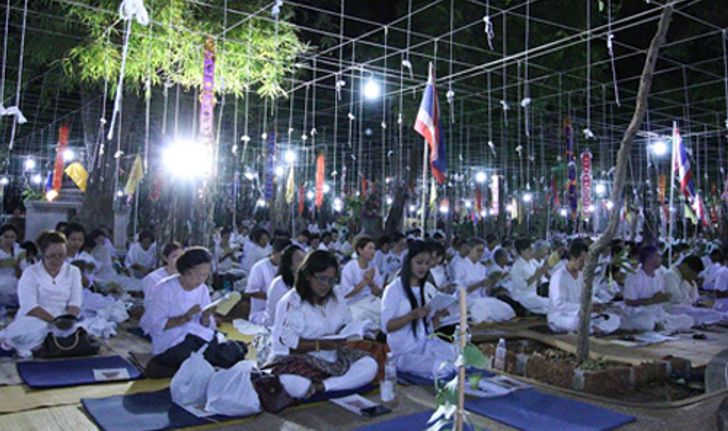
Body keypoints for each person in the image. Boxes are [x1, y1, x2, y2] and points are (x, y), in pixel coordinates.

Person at [268, 250, 377, 399]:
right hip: (301, 358)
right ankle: (332, 383)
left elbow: (345, 324)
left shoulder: (336, 295)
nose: (326, 285)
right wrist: (321, 344)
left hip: (334, 355)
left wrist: (353, 332)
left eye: (331, 280)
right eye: (321, 278)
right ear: (308, 276)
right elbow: (286, 345)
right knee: (297, 385)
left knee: (370, 365)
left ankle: (323, 386)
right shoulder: (292, 302)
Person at [143, 247, 247, 377]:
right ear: (186, 271)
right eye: (198, 275)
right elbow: (151, 325)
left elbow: (205, 325)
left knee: (230, 351)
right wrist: (184, 317)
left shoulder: (202, 289)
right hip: (171, 344)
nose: (201, 279)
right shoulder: (164, 288)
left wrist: (206, 317)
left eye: (205, 275)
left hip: (197, 338)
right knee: (220, 353)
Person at [0, 231, 83, 357]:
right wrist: (54, 322)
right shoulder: (30, 273)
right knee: (34, 331)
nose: (57, 260)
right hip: (36, 318)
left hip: (64, 319)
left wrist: (69, 319)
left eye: (61, 256)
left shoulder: (73, 271)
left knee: (89, 327)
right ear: (43, 253)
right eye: (52, 256)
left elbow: (75, 301)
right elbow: (29, 306)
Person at [382, 240, 457, 378]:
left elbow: (426, 328)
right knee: (443, 368)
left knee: (458, 354)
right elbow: (387, 327)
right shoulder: (393, 289)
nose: (423, 267)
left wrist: (436, 317)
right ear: (409, 261)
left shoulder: (426, 288)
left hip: (424, 345)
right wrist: (411, 316)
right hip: (403, 354)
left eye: (427, 264)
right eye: (419, 262)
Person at [547, 241, 621, 334]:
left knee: (614, 318)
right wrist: (583, 308)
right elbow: (559, 305)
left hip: (581, 314)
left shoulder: (581, 275)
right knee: (577, 323)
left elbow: (585, 295)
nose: (584, 264)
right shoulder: (559, 277)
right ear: (573, 258)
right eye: (582, 261)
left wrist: (599, 304)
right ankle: (594, 329)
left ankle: (593, 329)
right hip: (561, 317)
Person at [620, 246, 693, 332]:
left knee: (687, 320)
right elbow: (628, 302)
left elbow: (658, 297)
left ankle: (660, 325)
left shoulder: (658, 275)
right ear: (649, 258)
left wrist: (665, 297)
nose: (661, 258)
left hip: (657, 313)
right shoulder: (633, 276)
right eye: (658, 256)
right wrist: (652, 300)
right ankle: (656, 325)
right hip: (638, 313)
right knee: (647, 323)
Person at [451, 238, 515, 323]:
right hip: (467, 300)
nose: (480, 253)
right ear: (470, 248)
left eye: (482, 251)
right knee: (480, 310)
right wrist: (479, 284)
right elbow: (460, 290)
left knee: (505, 308)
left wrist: (490, 283)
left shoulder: (482, 268)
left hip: (481, 299)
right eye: (478, 250)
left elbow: (484, 292)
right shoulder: (460, 265)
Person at [336, 236, 384, 326]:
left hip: (370, 302)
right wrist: (365, 281)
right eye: (370, 248)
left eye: (374, 248)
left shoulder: (373, 266)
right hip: (354, 304)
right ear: (360, 250)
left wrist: (371, 283)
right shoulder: (349, 268)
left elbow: (378, 292)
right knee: (357, 317)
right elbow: (346, 293)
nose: (373, 251)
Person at [662, 255, 722, 325]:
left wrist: (692, 287)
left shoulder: (685, 279)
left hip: (682, 308)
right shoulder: (670, 275)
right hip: (670, 309)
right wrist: (689, 300)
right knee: (694, 313)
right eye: (693, 273)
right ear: (685, 267)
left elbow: (694, 299)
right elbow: (676, 299)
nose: (695, 277)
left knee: (709, 313)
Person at [139, 242, 184, 335]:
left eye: (181, 257)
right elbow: (153, 307)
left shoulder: (185, 277)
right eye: (174, 256)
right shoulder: (153, 279)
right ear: (165, 258)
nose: (179, 260)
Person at [245, 238, 290, 325]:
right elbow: (250, 292)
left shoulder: (288, 268)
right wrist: (273, 297)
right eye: (282, 256)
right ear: (275, 252)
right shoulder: (259, 267)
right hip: (262, 313)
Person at [265, 245, 305, 326]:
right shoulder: (278, 284)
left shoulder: (307, 281)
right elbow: (274, 314)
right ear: (289, 264)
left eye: (305, 260)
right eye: (299, 260)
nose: (304, 263)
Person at [508, 238, 550, 314]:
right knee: (549, 304)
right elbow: (521, 286)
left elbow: (537, 282)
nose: (532, 252)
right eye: (530, 250)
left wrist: (540, 276)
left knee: (549, 307)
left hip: (533, 295)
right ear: (522, 251)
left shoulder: (532, 262)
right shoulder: (517, 267)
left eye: (532, 249)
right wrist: (535, 276)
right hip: (521, 297)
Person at [0, 224, 22, 307]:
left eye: (12, 237)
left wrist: (17, 266)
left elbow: (21, 276)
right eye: (6, 237)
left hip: (14, 284)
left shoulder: (19, 252)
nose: (9, 240)